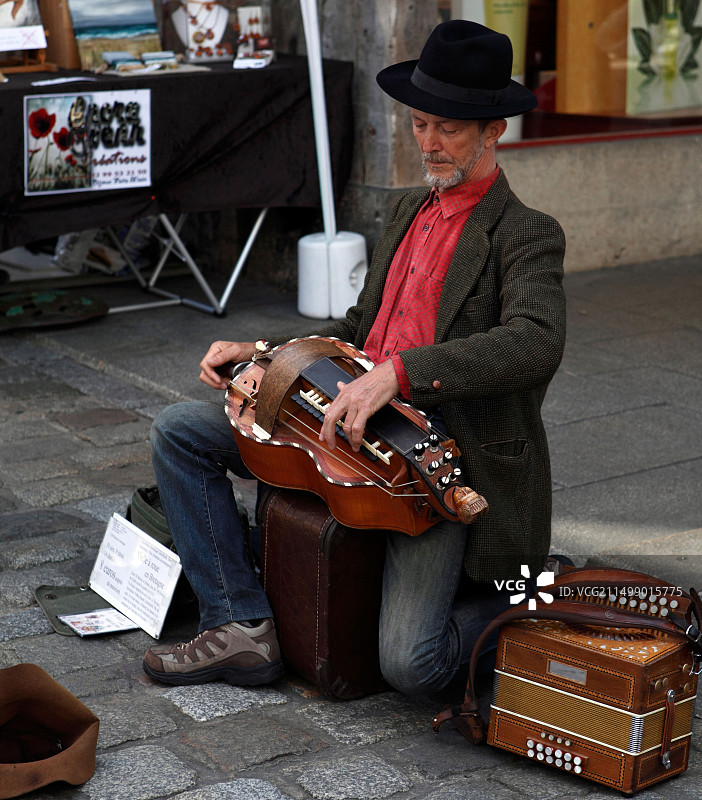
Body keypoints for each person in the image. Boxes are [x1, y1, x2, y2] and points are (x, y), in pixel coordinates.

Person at [143, 20, 566, 695]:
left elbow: (535, 341)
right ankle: (241, 623)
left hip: (435, 461)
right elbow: (356, 327)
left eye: (448, 128)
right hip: (349, 429)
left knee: (412, 664)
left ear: (494, 131)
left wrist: (396, 374)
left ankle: (535, 592)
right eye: (419, 122)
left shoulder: (526, 234)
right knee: (179, 432)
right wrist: (261, 354)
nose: (427, 142)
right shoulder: (403, 211)